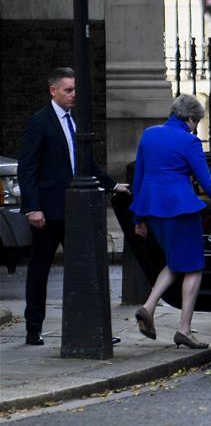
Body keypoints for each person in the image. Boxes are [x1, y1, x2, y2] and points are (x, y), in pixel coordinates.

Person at [18, 67, 129, 346]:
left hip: (76, 209)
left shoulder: (76, 122)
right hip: (47, 211)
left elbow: (86, 162)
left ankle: (94, 328)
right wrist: (32, 208)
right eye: (68, 90)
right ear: (53, 91)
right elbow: (27, 168)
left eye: (75, 90)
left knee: (86, 267)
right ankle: (34, 328)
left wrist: (113, 185)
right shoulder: (39, 122)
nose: (73, 95)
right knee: (39, 269)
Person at [130, 95, 211, 349]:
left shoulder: (149, 135)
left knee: (175, 261)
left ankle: (148, 307)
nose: (196, 126)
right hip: (180, 209)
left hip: (151, 209)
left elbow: (138, 177)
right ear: (191, 119)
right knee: (193, 266)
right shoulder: (189, 141)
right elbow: (208, 183)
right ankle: (183, 329)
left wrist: (138, 218)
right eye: (197, 121)